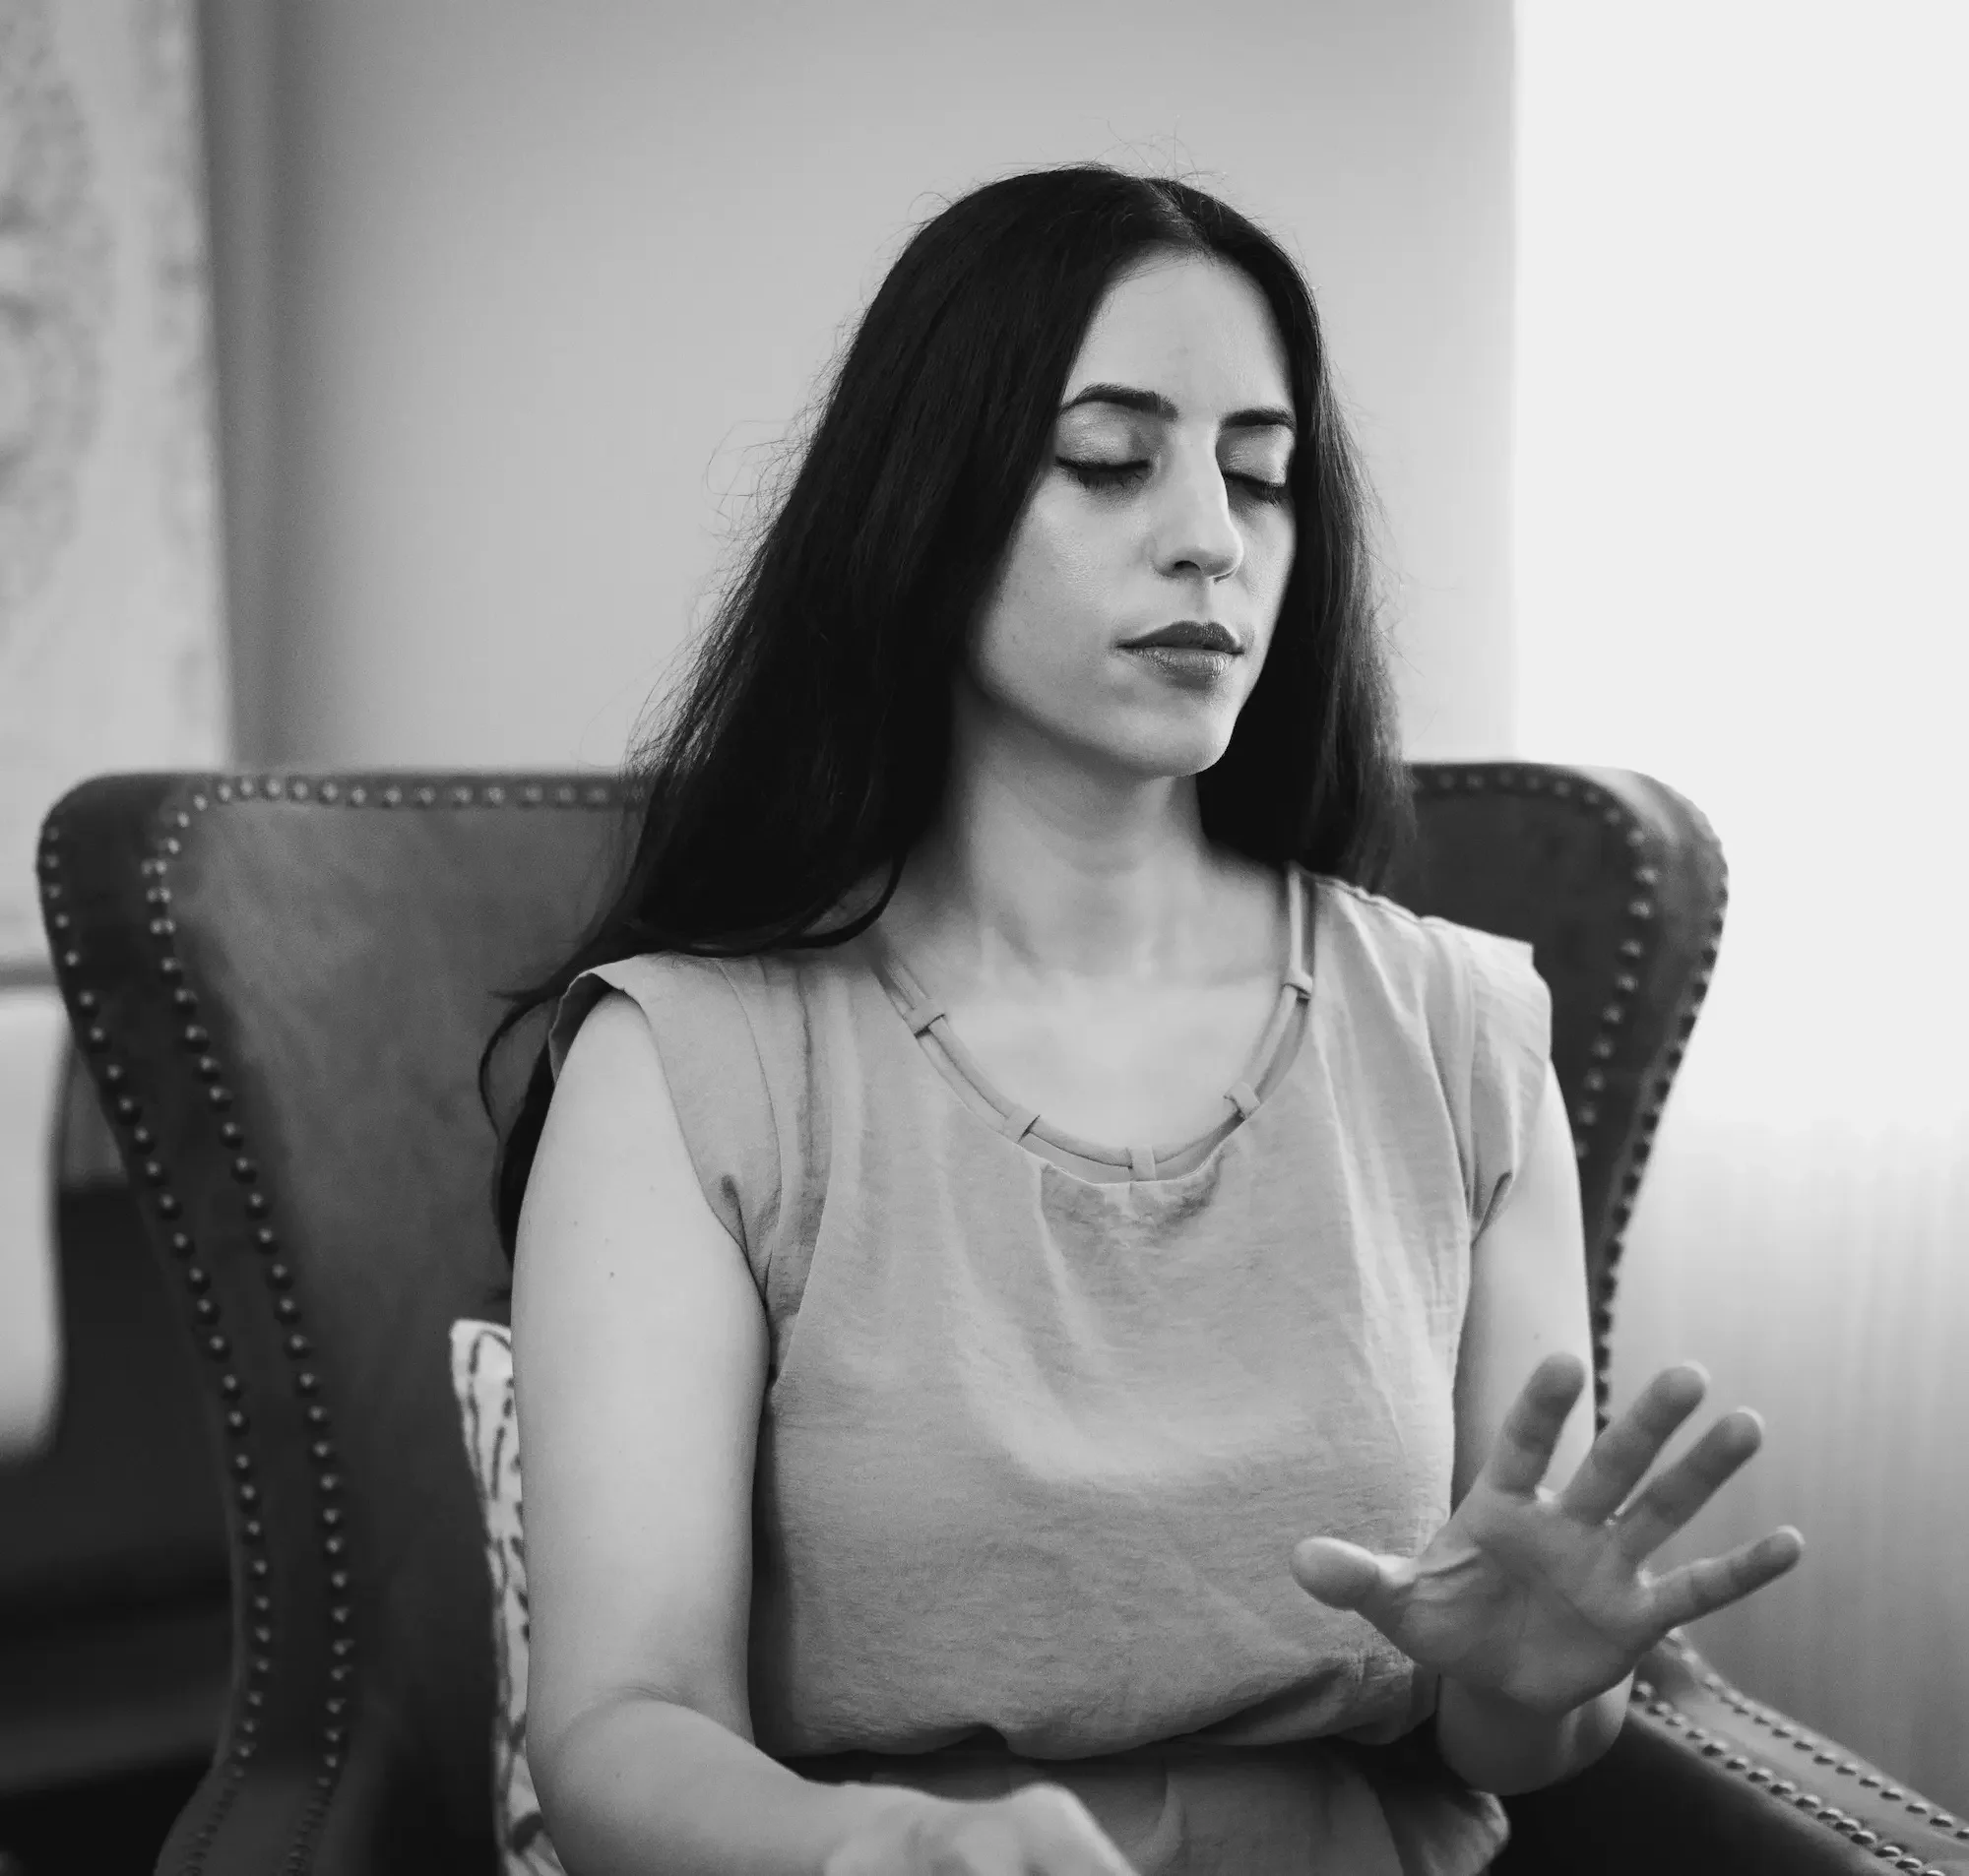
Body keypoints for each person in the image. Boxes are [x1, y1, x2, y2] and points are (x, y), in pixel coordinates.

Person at [476, 161, 1804, 1876]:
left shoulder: (1464, 1031)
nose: (1208, 533)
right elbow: (619, 1726)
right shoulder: (689, 1067)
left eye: (1260, 477)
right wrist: (881, 1851)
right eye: (1110, 460)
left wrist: (1540, 1689)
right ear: (922, 504)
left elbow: (1507, 1728)